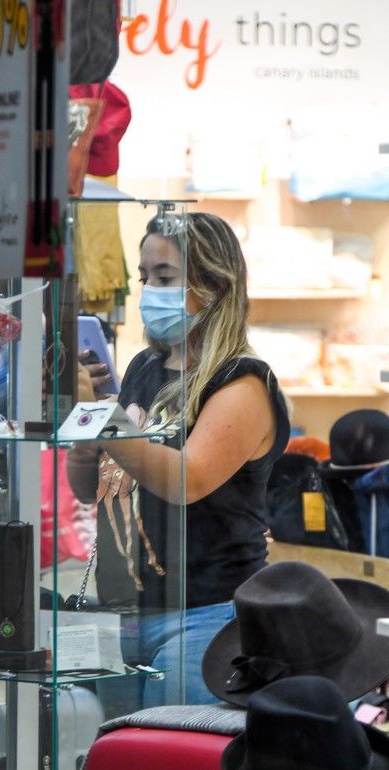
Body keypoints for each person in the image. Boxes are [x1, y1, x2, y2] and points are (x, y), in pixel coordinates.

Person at [67, 211, 290, 709]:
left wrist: (103, 416)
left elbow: (188, 480)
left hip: (205, 615)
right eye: (144, 278)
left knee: (170, 763)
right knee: (119, 762)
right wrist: (85, 424)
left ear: (213, 284)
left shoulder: (242, 383)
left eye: (164, 277)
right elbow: (90, 488)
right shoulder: (145, 368)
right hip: (123, 611)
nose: (149, 290)